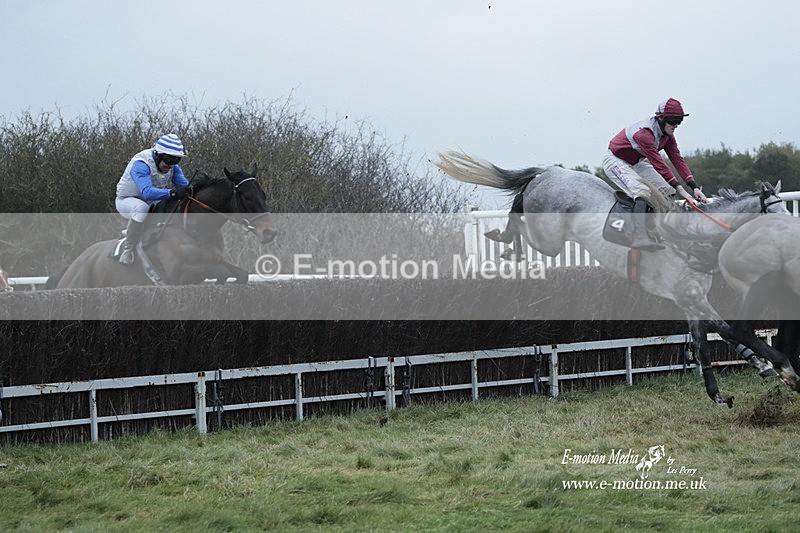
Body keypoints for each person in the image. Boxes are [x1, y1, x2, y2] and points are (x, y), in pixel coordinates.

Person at [602, 98, 708, 251]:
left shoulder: (668, 137)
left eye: (679, 120)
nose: (676, 125)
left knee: (668, 191)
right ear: (661, 118)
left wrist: (694, 187)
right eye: (673, 120)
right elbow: (659, 164)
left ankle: (655, 228)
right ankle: (639, 236)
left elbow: (677, 159)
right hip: (615, 161)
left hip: (635, 163)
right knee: (643, 192)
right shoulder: (644, 134)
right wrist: (683, 191)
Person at [115, 133, 193, 265]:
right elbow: (147, 193)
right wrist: (173, 193)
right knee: (141, 208)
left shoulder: (173, 168)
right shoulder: (141, 164)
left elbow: (185, 186)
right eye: (168, 160)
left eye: (175, 161)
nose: (170, 166)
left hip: (152, 201)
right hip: (127, 200)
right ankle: (127, 250)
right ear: (158, 155)